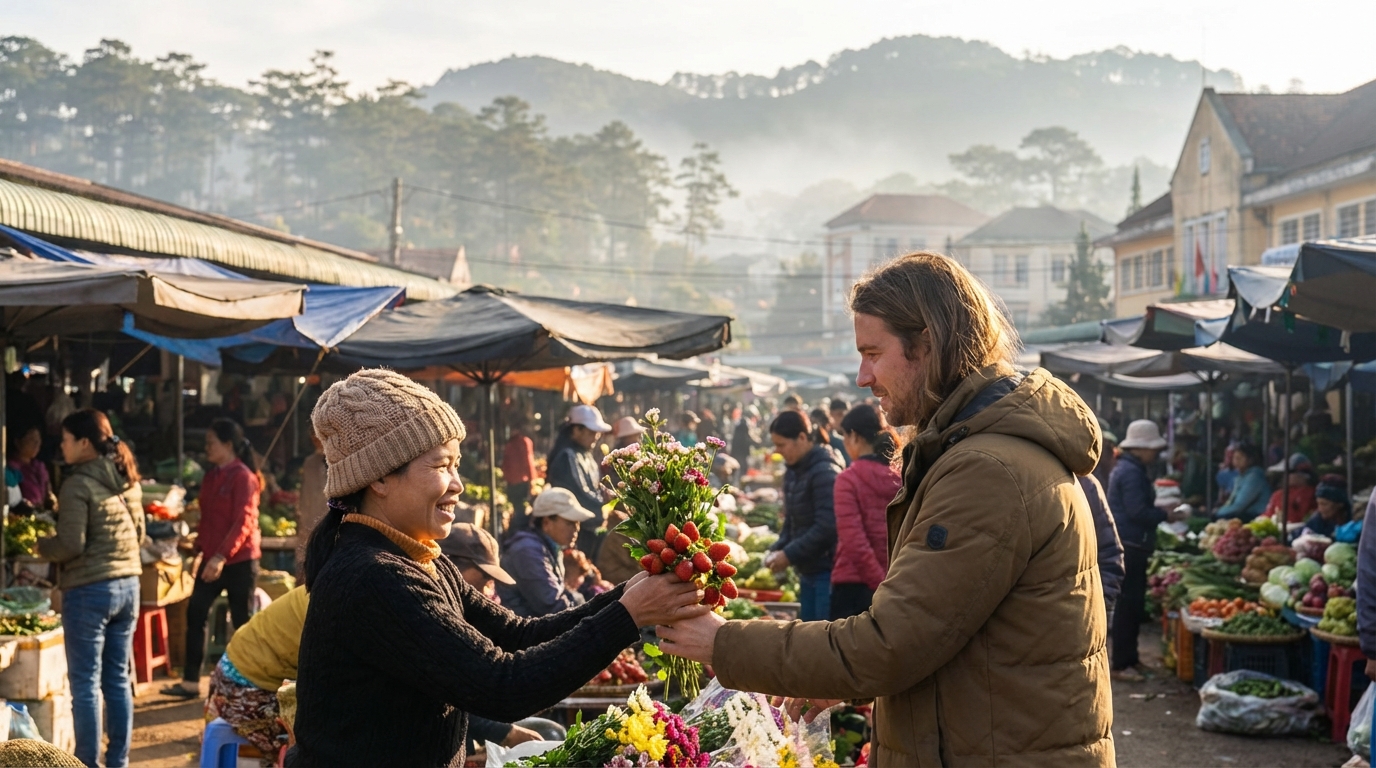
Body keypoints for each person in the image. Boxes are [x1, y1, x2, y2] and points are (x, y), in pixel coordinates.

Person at [658, 252, 1114, 766]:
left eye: (872, 352)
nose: (861, 376)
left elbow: (889, 645)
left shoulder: (988, 470)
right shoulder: (977, 453)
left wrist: (724, 643)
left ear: (926, 343)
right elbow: (955, 642)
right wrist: (852, 684)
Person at [289, 369, 705, 767]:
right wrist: (629, 615)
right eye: (440, 466)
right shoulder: (373, 575)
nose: (458, 484)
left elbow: (517, 635)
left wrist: (627, 594)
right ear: (379, 479)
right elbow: (503, 686)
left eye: (456, 464)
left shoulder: (421, 558)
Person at [37, 409, 145, 768]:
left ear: (84, 443)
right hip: (129, 586)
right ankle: (119, 761)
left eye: (66, 439)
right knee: (117, 679)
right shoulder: (127, 478)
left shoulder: (77, 484)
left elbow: (71, 544)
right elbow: (140, 535)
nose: (61, 446)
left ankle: (86, 762)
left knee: (84, 683)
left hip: (89, 590)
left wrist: (40, 546)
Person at [164, 419, 262, 699]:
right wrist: (198, 549)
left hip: (240, 560)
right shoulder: (211, 476)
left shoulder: (243, 476)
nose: (206, 447)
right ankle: (191, 682)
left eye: (211, 442)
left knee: (242, 620)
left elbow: (243, 521)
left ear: (228, 445)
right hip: (212, 559)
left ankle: (246, 684)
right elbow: (208, 521)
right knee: (196, 613)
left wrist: (220, 556)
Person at [1108, 419, 1186, 682]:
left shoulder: (1131, 468)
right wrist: (1165, 515)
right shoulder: (1130, 473)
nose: (1155, 453)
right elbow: (1137, 512)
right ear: (1140, 448)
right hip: (1131, 544)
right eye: (1152, 448)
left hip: (1133, 543)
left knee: (1133, 605)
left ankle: (1131, 658)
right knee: (1128, 606)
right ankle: (1121, 664)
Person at [766, 410, 841, 622]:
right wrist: (778, 548)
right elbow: (792, 520)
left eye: (781, 445)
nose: (778, 451)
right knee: (808, 632)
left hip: (826, 571)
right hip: (807, 569)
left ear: (801, 437)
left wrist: (788, 555)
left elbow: (827, 526)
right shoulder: (794, 470)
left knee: (820, 638)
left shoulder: (824, 471)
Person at [829, 404, 900, 619]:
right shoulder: (900, 477)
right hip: (894, 580)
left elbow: (854, 540)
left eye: (844, 436)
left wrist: (877, 583)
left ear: (855, 436)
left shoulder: (848, 479)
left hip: (853, 586)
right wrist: (885, 584)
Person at [497, 488, 594, 616]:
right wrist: (582, 604)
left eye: (577, 523)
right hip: (525, 631)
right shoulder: (527, 551)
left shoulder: (547, 547)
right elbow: (551, 605)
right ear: (547, 522)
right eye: (570, 523)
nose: (576, 529)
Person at [545, 405, 611, 558]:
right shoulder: (567, 457)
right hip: (575, 530)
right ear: (576, 430)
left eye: (597, 433)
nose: (596, 436)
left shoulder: (584, 454)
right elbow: (579, 494)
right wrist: (604, 501)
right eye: (591, 432)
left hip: (588, 528)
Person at [294, 434, 327, 578]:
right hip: (311, 527)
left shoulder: (342, 461)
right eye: (313, 436)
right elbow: (304, 500)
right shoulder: (310, 463)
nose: (315, 440)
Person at [1214, 442, 1268, 521]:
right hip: (1243, 514)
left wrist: (1217, 513)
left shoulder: (1254, 477)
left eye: (1240, 457)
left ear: (1250, 459)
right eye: (1235, 457)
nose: (1236, 460)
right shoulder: (1241, 476)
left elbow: (1239, 505)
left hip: (1255, 516)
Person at [501, 416, 537, 535]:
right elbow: (529, 462)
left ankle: (514, 532)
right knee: (520, 509)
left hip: (513, 482)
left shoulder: (510, 444)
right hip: (520, 482)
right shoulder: (524, 442)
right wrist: (532, 481)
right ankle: (518, 532)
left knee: (517, 508)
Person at [1264, 452, 1317, 524]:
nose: (1284, 477)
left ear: (1302, 474)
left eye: (1288, 473)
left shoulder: (1313, 494)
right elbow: (1266, 516)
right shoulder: (1278, 494)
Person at [7, 425, 51, 510]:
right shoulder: (11, 469)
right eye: (32, 439)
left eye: (38, 440)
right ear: (18, 442)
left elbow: (48, 492)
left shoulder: (39, 467)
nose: (37, 444)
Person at [730, 405, 760, 477]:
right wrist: (756, 442)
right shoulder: (744, 423)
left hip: (738, 450)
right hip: (741, 451)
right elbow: (747, 437)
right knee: (741, 470)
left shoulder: (742, 422)